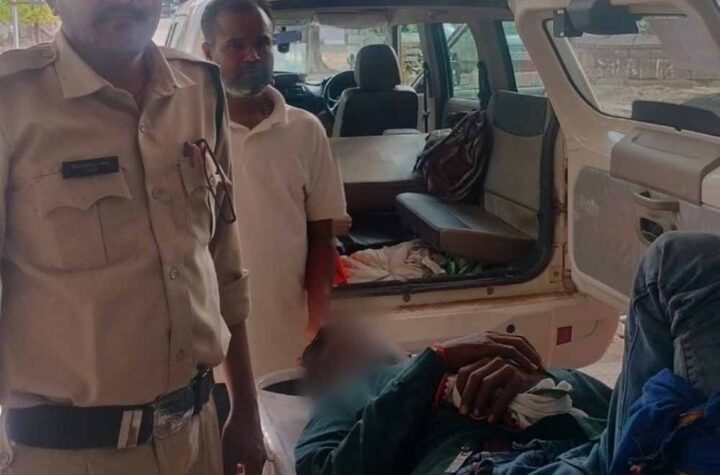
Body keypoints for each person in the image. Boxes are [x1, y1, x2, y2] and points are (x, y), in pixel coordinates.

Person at [0, 1, 264, 474]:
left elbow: (223, 264)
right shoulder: (11, 103)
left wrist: (246, 409)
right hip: (69, 457)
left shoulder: (200, 89)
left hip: (198, 439)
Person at [295, 232, 720, 474]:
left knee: (681, 261)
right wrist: (430, 366)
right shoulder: (352, 397)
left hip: (601, 455)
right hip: (489, 467)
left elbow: (611, 410)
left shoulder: (464, 369)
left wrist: (545, 382)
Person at [201, 0, 347, 377]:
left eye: (262, 43)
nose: (252, 56)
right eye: (236, 45)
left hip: (288, 343)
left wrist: (318, 324)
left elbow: (322, 237)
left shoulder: (306, 130)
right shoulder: (189, 131)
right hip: (209, 347)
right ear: (208, 52)